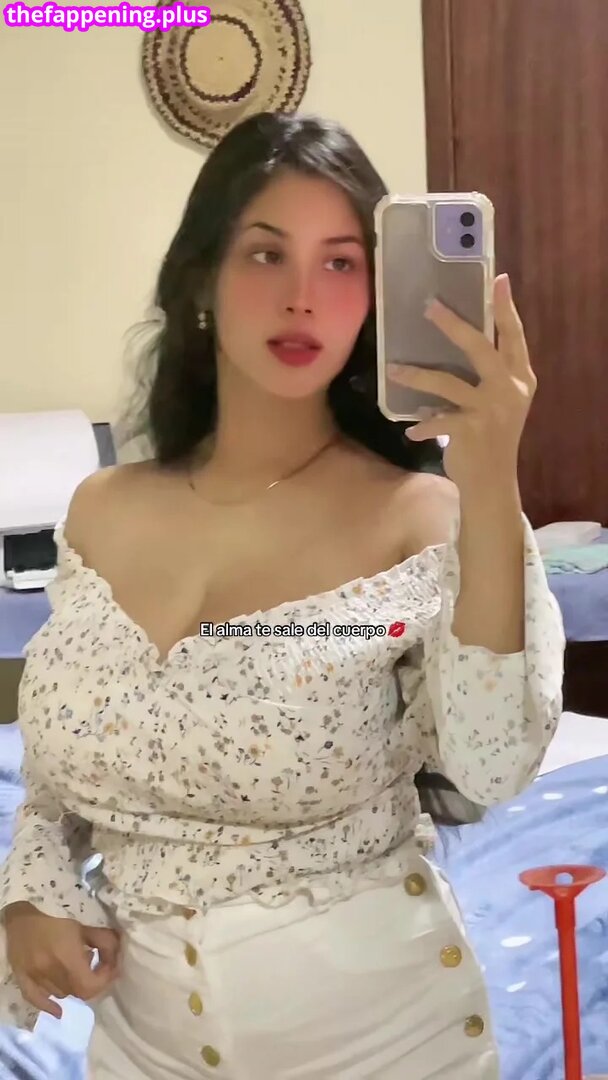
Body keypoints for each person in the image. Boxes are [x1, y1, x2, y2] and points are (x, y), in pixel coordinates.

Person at [0, 111, 564, 1079]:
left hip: (388, 1045)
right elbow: (56, 777)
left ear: (375, 296)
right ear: (201, 281)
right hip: (138, 1052)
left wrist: (488, 477)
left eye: (341, 263)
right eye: (266, 254)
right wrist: (27, 892)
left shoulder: (421, 519)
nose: (303, 296)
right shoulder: (100, 510)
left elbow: (493, 761)